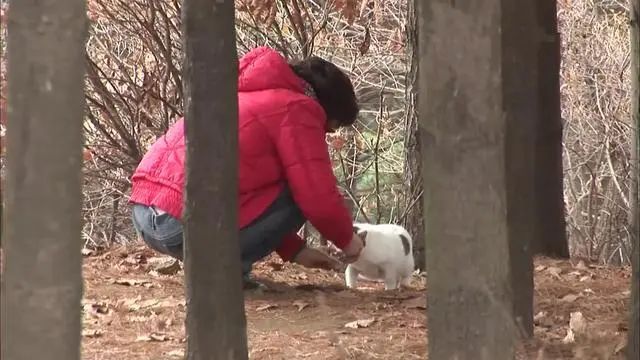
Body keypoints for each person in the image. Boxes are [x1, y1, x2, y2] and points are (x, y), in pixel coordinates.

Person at [128, 46, 365, 289]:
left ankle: (222, 272)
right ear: (327, 106)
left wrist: (295, 250)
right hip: (180, 223)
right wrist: (347, 240)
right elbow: (316, 197)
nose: (327, 133)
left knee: (294, 179)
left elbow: (250, 194)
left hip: (145, 213)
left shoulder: (241, 95)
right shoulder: (298, 108)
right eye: (331, 126)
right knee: (304, 185)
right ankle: (226, 277)